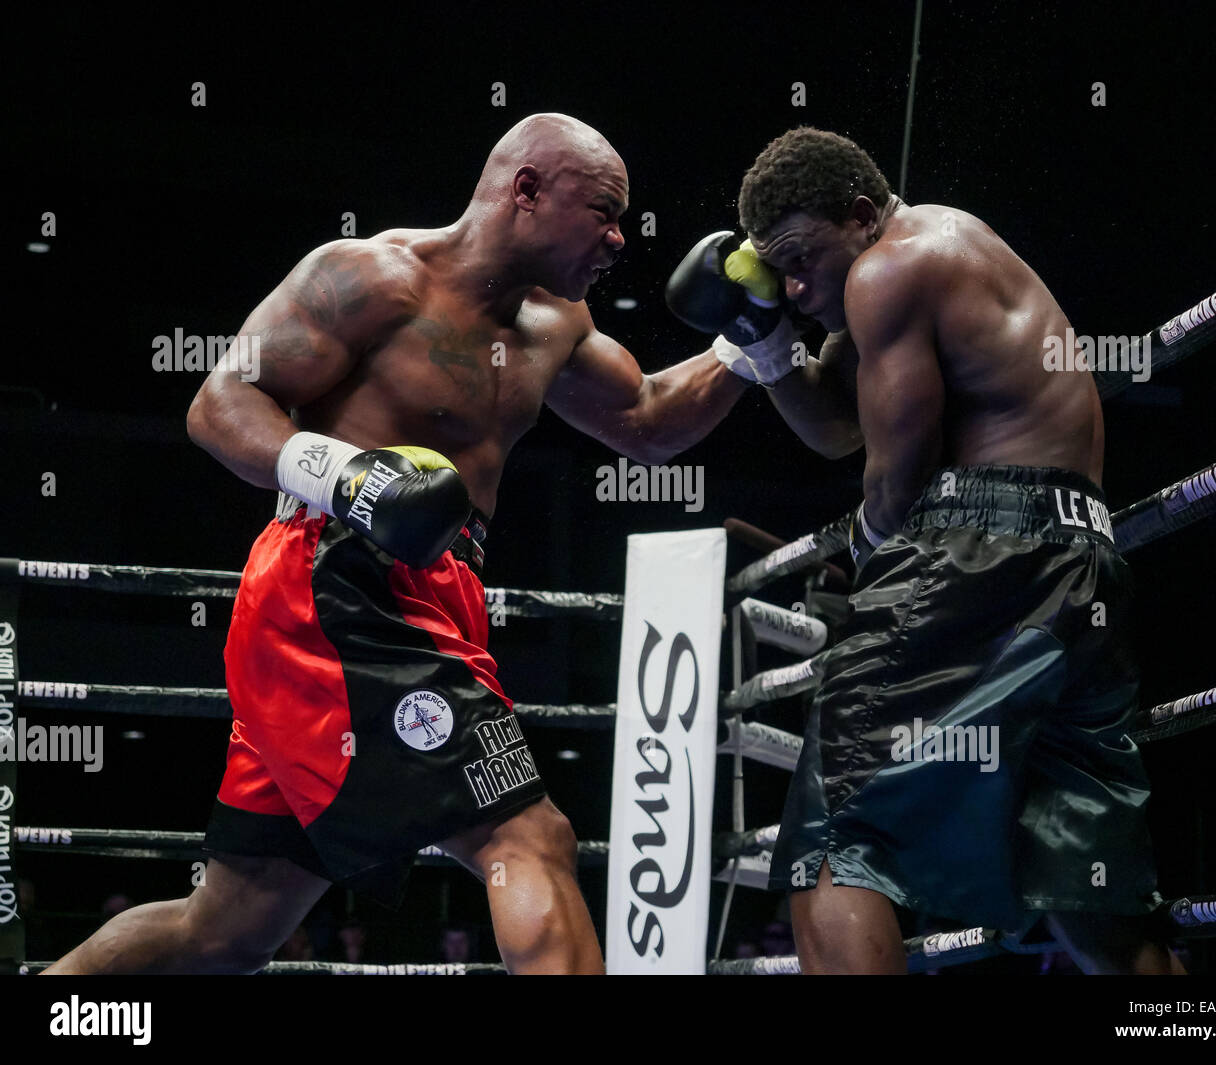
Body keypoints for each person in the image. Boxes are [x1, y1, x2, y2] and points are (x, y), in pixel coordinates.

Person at [44, 113, 749, 975]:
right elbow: (220, 402)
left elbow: (645, 421)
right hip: (332, 583)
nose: (617, 236)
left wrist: (751, 345)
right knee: (527, 836)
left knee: (224, 929)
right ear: (525, 190)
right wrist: (346, 474)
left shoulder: (558, 321)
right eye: (602, 210)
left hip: (435, 595)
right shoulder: (371, 278)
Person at [670, 126, 1182, 975]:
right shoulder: (923, 256)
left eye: (801, 259)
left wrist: (867, 566)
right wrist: (763, 340)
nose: (795, 287)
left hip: (984, 551)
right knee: (1085, 886)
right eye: (777, 271)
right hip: (1081, 559)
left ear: (863, 215)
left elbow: (895, 479)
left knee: (835, 831)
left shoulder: (888, 269)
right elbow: (837, 424)